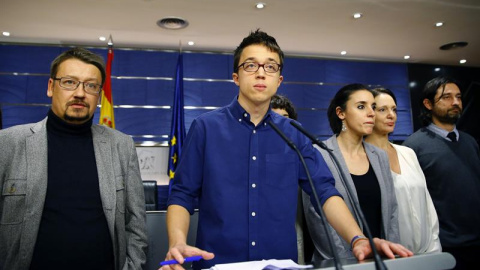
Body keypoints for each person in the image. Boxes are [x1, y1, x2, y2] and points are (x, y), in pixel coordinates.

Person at [163, 30, 412, 270]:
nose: (261, 73)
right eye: (251, 65)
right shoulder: (205, 128)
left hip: (279, 264)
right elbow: (182, 194)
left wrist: (357, 239)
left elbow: (324, 191)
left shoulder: (294, 133)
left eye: (270, 66)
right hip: (218, 262)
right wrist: (177, 242)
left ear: (279, 80)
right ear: (236, 77)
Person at [0, 47, 148, 270]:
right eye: (69, 82)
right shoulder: (8, 143)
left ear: (99, 95)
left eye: (91, 85)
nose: (80, 93)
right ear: (51, 87)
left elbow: (136, 224)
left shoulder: (121, 146)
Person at [303, 84, 400, 261]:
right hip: (341, 262)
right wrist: (352, 262)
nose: (371, 113)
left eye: (373, 107)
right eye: (361, 106)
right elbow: (318, 219)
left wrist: (391, 256)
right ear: (341, 113)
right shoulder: (319, 154)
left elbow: (391, 212)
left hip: (381, 260)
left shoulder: (379, 156)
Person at [403, 76, 480, 269]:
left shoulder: (471, 142)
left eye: (459, 97)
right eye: (446, 97)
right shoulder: (413, 147)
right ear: (428, 104)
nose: (455, 102)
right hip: (444, 246)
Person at [364, 87, 441, 253]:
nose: (391, 115)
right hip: (388, 255)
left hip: (427, 251)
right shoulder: (362, 158)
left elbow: (428, 206)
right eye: (383, 110)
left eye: (394, 110)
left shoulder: (408, 153)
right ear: (369, 114)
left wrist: (434, 247)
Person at [271, 94, 310, 264]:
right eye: (274, 117)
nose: (280, 124)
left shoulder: (300, 151)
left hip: (294, 227)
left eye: (285, 118)